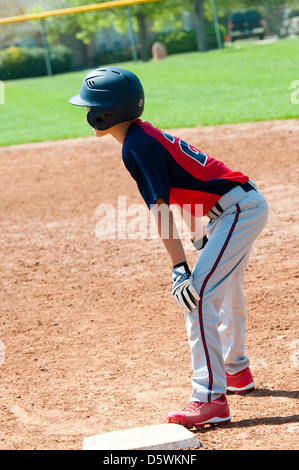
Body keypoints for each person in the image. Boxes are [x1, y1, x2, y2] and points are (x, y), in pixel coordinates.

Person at [69, 67, 268, 429]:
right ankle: (236, 370)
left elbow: (160, 208)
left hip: (238, 212)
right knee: (223, 288)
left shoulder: (136, 146)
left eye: (91, 107)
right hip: (238, 207)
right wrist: (198, 242)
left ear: (106, 113)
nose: (86, 114)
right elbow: (183, 189)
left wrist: (180, 269)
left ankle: (209, 399)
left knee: (197, 296)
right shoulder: (142, 134)